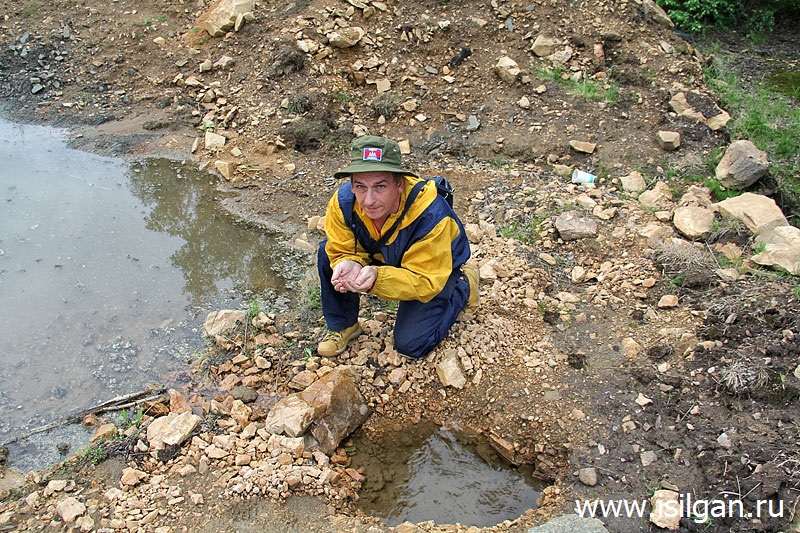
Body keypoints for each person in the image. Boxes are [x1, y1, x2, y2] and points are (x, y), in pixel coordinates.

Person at [316, 135, 479, 360]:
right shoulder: (343, 202)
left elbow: (425, 280)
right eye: (360, 187)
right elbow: (341, 245)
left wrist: (377, 278)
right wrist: (349, 262)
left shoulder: (430, 215)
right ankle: (344, 325)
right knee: (327, 251)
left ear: (399, 184)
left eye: (380, 186)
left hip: (433, 268)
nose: (369, 199)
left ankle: (463, 286)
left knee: (411, 345)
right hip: (387, 254)